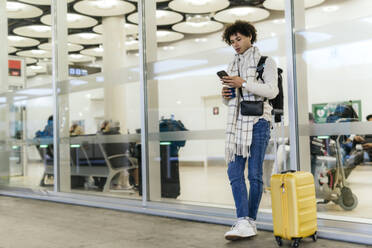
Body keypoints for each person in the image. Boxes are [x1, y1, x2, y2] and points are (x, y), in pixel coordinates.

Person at [220, 21, 279, 240]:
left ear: (249, 37)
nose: (235, 44)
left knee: (254, 175)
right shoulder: (232, 64)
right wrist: (226, 96)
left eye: (239, 39)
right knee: (234, 172)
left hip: (259, 123)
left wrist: (243, 83)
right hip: (237, 125)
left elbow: (272, 91)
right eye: (232, 41)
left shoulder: (266, 62)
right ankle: (243, 220)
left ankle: (249, 221)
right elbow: (232, 102)